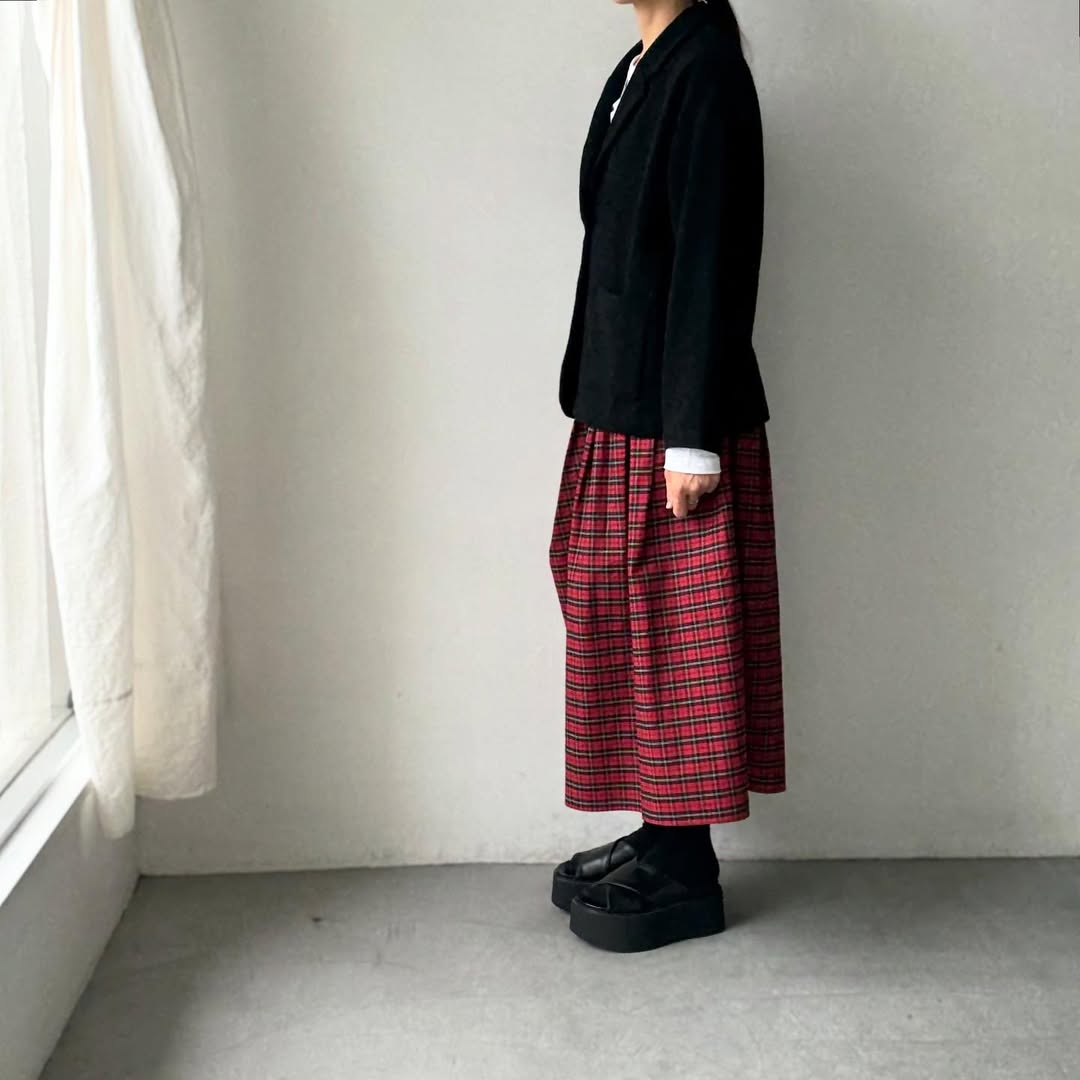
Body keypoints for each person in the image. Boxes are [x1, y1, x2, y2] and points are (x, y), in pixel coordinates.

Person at [548, 0, 785, 953]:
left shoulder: (708, 72)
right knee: (618, 613)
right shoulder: (641, 66)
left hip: (672, 419)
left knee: (679, 633)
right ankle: (662, 829)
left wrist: (691, 440)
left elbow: (711, 261)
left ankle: (687, 866)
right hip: (620, 401)